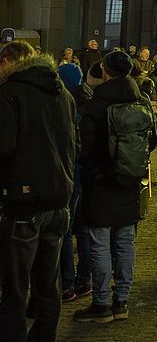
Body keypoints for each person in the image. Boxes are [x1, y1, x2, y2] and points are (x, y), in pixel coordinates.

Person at [0, 42, 76, 342]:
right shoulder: (62, 93)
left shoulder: (11, 94)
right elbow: (72, 146)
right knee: (48, 289)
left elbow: (3, 148)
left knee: (13, 292)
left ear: (11, 62)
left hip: (22, 205)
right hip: (58, 204)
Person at [75, 49, 155, 323]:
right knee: (124, 241)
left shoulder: (97, 104)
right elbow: (152, 140)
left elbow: (84, 149)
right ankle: (121, 300)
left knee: (99, 242)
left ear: (105, 71)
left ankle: (101, 303)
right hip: (130, 179)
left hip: (101, 180)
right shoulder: (140, 99)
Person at [57, 59, 93, 302]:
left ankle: (67, 284)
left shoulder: (67, 107)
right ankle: (85, 281)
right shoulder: (91, 103)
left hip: (73, 174)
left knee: (66, 232)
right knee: (85, 230)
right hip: (89, 174)